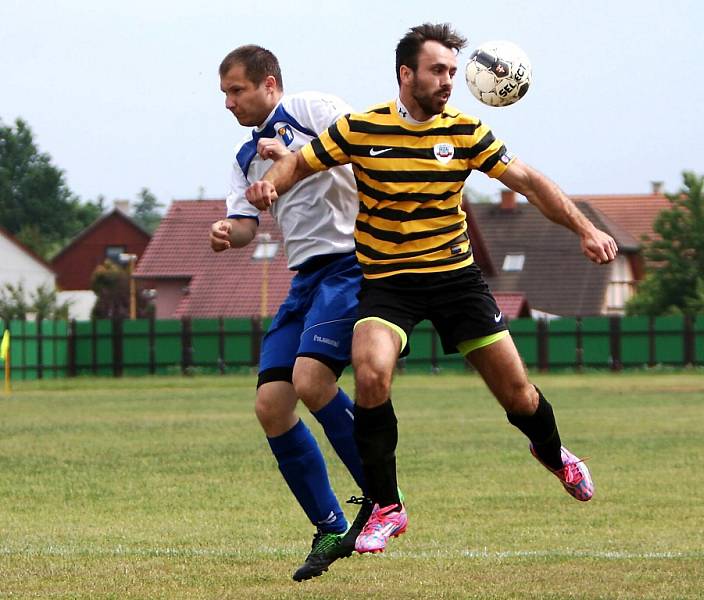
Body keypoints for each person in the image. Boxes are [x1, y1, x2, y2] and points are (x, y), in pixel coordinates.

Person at [245, 23, 619, 554]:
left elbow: (529, 182)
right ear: (406, 74)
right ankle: (386, 507)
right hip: (389, 284)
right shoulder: (360, 128)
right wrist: (269, 184)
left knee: (517, 394)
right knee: (371, 372)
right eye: (438, 70)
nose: (448, 81)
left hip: (456, 282)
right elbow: (299, 163)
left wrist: (586, 228)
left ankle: (553, 453)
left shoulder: (466, 132)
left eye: (451, 71)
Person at [209, 44, 374, 580]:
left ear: (270, 84)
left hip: (351, 265)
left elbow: (367, 151)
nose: (229, 103)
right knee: (271, 406)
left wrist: (293, 164)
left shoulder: (311, 110)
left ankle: (384, 498)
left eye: (237, 90)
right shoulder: (242, 158)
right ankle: (330, 525)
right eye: (225, 94)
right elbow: (244, 226)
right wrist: (224, 235)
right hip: (305, 278)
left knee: (310, 380)